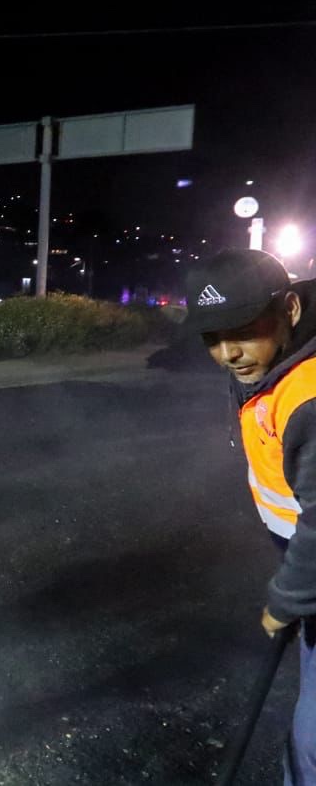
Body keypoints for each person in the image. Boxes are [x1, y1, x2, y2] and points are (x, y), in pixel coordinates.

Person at [185, 248, 316, 784]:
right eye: (211, 338)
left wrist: (287, 600)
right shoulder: (270, 367)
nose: (228, 353)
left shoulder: (307, 397)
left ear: (289, 309)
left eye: (241, 330)